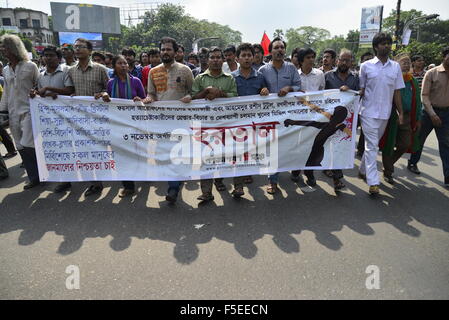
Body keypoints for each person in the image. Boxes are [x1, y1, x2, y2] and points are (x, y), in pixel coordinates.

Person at [53, 38, 110, 195]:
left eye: (81, 47)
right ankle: (95, 182)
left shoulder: (101, 69)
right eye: (75, 47)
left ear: (90, 51)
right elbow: (70, 91)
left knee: (98, 149)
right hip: (79, 118)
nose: (77, 49)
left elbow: (109, 89)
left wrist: (104, 93)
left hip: (98, 118)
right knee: (84, 149)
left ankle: (103, 175)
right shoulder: (71, 71)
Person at [143, 37, 194, 203]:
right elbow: (151, 93)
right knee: (161, 155)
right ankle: (175, 182)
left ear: (175, 51)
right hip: (161, 121)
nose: (165, 52)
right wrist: (149, 98)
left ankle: (173, 188)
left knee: (178, 154)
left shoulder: (185, 70)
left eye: (168, 49)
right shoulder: (153, 72)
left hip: (181, 121)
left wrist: (189, 96)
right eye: (163, 49)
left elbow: (194, 92)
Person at [359, 32, 405, 195]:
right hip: (368, 112)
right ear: (376, 46)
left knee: (372, 145)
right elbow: (361, 89)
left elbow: (397, 92)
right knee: (372, 146)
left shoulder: (395, 67)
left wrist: (400, 113)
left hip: (385, 113)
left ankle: (363, 169)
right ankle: (373, 182)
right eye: (382, 43)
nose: (386, 46)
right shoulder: (366, 66)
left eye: (388, 43)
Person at [192, 46, 238, 202]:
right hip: (206, 125)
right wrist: (205, 92)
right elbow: (193, 98)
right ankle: (206, 192)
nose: (216, 60)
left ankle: (232, 185)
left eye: (219, 57)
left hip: (226, 123)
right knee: (206, 158)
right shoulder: (200, 78)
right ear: (208, 60)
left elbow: (235, 96)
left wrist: (220, 93)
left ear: (223, 60)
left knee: (229, 156)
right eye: (213, 57)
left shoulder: (230, 78)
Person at [258, 37, 302, 194]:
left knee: (286, 146)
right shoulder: (263, 70)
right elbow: (258, 89)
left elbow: (299, 86)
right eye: (276, 48)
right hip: (269, 116)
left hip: (288, 116)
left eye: (282, 47)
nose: (279, 50)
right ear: (270, 51)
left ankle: (290, 170)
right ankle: (273, 180)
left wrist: (289, 88)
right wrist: (262, 90)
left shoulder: (291, 69)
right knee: (273, 147)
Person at [98, 54, 146, 197]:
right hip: (117, 126)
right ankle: (128, 186)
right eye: (120, 63)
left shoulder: (136, 81)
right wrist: (104, 95)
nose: (124, 66)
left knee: (136, 153)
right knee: (121, 155)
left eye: (125, 63)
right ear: (114, 66)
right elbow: (108, 101)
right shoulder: (111, 83)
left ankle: (140, 174)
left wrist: (139, 100)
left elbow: (145, 99)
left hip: (134, 124)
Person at [0, 34, 40, 189]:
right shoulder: (5, 69)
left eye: (5, 47)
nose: (3, 50)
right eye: (2, 47)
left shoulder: (31, 66)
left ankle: (39, 174)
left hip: (29, 111)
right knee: (20, 146)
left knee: (29, 144)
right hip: (13, 113)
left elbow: (38, 86)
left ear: (14, 48)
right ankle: (33, 177)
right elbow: (7, 93)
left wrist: (36, 93)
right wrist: (2, 111)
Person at [231, 43, 269, 197]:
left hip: (254, 122)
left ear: (253, 58)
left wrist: (265, 91)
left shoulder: (260, 77)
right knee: (237, 152)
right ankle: (238, 186)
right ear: (237, 58)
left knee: (250, 151)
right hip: (235, 122)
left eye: (249, 55)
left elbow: (267, 95)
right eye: (243, 55)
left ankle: (248, 172)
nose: (247, 58)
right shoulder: (231, 77)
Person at [407, 47, 449, 188]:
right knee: (419, 139)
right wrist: (432, 114)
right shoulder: (432, 73)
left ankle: (447, 176)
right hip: (428, 113)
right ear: (444, 57)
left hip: (446, 114)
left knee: (446, 144)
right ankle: (413, 163)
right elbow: (424, 96)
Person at [380, 53, 422, 185]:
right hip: (391, 116)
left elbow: (418, 101)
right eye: (403, 62)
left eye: (408, 62)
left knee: (405, 144)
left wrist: (418, 118)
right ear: (396, 64)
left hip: (408, 118)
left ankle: (389, 164)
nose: (406, 64)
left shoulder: (412, 81)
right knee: (389, 143)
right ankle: (388, 172)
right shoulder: (391, 78)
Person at [323, 49, 360, 191]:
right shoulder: (327, 76)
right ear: (337, 60)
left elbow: (360, 93)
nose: (344, 63)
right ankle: (333, 173)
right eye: (342, 59)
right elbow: (320, 95)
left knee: (341, 147)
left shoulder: (355, 78)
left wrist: (351, 91)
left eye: (347, 60)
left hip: (348, 119)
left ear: (351, 62)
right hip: (329, 118)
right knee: (330, 146)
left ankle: (336, 176)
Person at [290, 48, 325, 187]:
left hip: (315, 117)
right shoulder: (294, 75)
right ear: (301, 60)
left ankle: (309, 173)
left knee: (313, 146)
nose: (312, 60)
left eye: (313, 57)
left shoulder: (320, 74)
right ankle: (296, 169)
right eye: (308, 57)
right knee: (298, 144)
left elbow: (323, 91)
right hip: (298, 116)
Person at [356, 51, 375, 158]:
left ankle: (361, 150)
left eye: (371, 59)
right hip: (355, 107)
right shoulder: (354, 76)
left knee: (365, 131)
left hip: (368, 108)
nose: (369, 62)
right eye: (366, 60)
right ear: (362, 62)